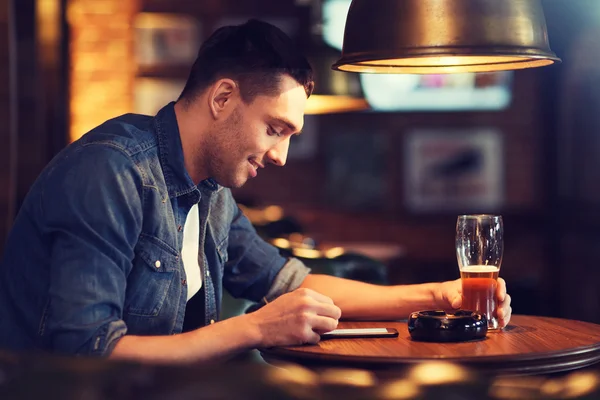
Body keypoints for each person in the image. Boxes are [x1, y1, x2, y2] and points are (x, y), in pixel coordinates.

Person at [0, 19, 511, 364]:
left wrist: (440, 295)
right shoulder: (110, 173)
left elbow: (289, 283)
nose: (280, 156)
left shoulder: (210, 187)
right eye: (275, 129)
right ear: (223, 97)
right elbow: (84, 352)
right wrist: (256, 329)